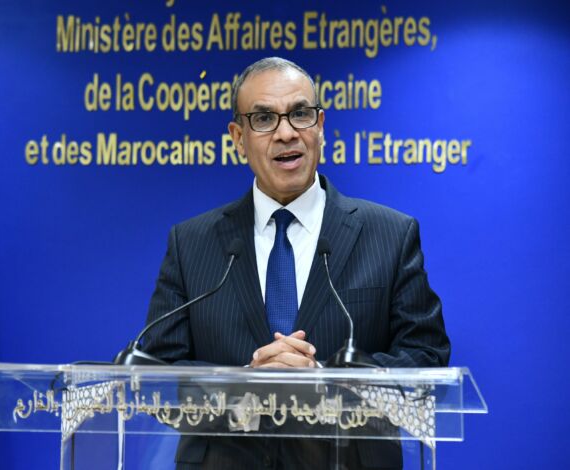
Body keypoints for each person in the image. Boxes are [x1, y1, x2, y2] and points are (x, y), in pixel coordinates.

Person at [142, 57, 450, 469]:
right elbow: (155, 377)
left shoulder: (390, 235)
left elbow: (426, 360)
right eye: (264, 118)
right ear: (238, 138)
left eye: (300, 114)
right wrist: (243, 385)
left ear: (320, 127)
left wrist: (325, 381)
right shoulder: (192, 243)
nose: (286, 133)